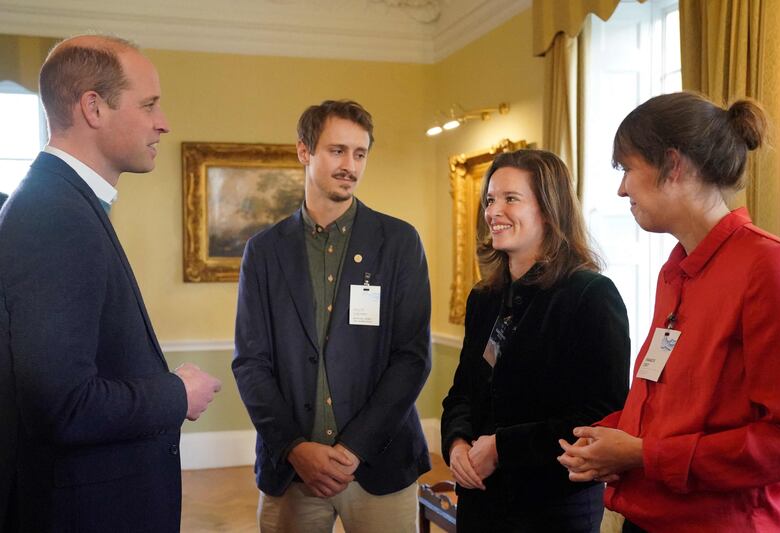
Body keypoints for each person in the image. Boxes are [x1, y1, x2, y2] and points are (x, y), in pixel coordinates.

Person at [0, 35, 221, 532]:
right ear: (93, 108)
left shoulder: (66, 202)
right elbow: (62, 404)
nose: (163, 122)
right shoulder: (54, 215)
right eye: (148, 105)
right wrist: (175, 394)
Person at [558, 92, 780, 532]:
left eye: (627, 169)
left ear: (672, 165)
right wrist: (607, 438)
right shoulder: (675, 270)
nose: (621, 188)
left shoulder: (770, 267)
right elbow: (672, 402)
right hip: (650, 515)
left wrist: (641, 454)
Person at [232, 99, 432, 533]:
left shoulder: (399, 242)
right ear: (304, 151)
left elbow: (412, 357)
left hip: (380, 465)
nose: (350, 165)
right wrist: (294, 448)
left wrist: (354, 449)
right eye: (337, 151)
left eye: (360, 154)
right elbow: (251, 363)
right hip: (292, 470)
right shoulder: (264, 252)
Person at [441, 149, 630, 532]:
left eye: (511, 199)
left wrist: (502, 448)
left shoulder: (591, 294)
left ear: (548, 208)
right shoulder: (485, 297)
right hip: (481, 499)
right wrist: (457, 443)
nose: (494, 212)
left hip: (552, 506)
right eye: (490, 200)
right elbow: (463, 391)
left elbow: (602, 414)